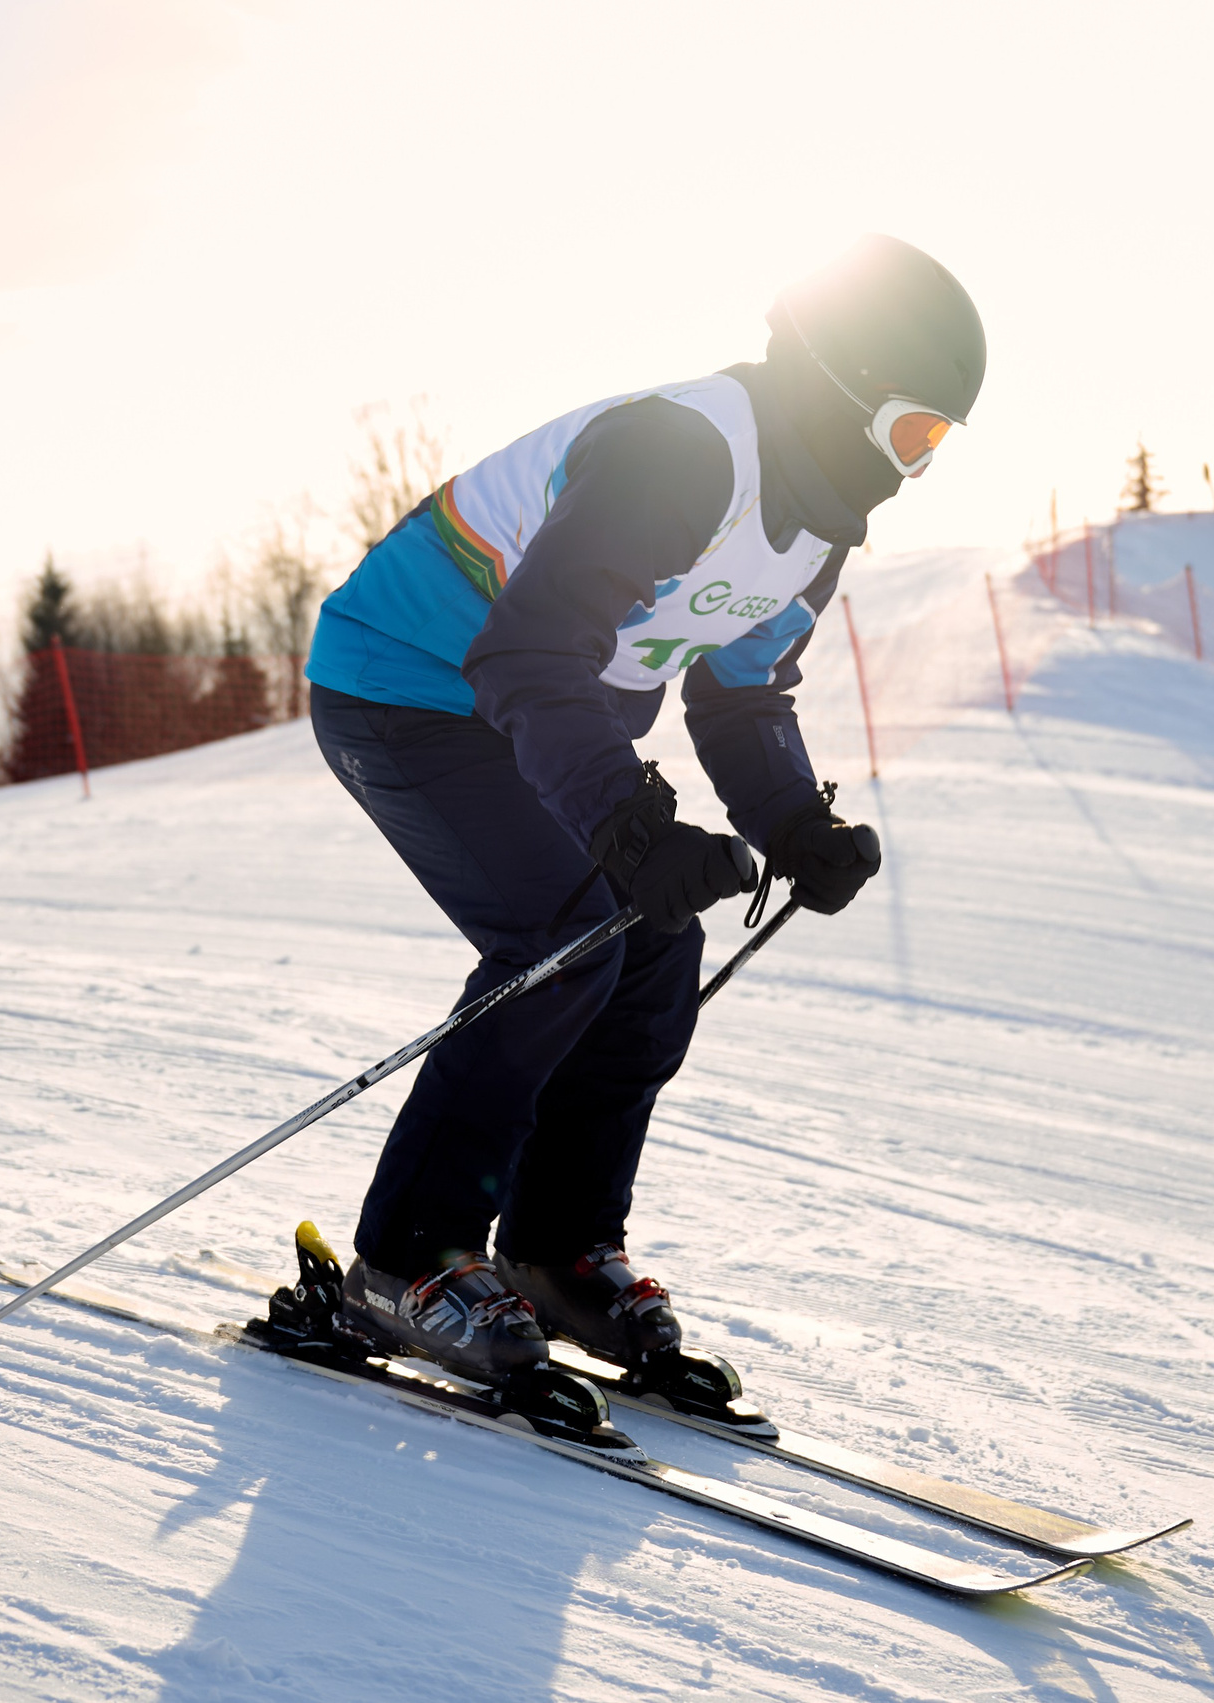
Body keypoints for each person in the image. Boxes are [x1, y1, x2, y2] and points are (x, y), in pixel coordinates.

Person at [301, 236, 985, 1383]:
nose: (914, 468)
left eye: (936, 445)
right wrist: (630, 822)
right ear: (843, 384)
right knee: (564, 934)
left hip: (528, 710)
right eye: (911, 433)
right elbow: (526, 652)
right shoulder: (680, 454)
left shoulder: (816, 524)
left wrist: (793, 824)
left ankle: (555, 1250)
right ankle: (407, 1258)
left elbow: (742, 691)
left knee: (656, 945)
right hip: (403, 685)